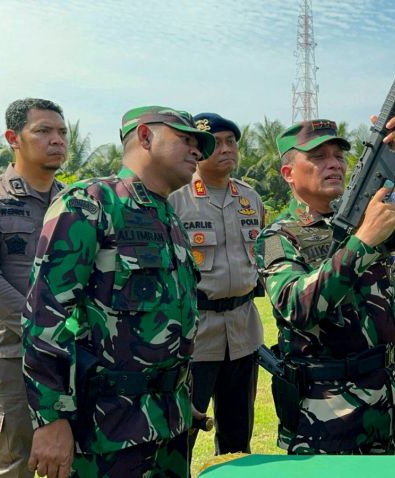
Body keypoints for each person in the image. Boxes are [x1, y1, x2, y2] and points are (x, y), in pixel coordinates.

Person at [22, 105, 215, 478]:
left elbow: (171, 322)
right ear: (145, 136)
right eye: (186, 140)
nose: (197, 151)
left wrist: (179, 394)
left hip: (168, 422)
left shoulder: (169, 218)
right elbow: (46, 314)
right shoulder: (90, 204)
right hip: (106, 429)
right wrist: (50, 419)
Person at [255, 105, 395, 454]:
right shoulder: (279, 236)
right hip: (326, 410)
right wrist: (363, 242)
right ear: (288, 173)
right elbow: (297, 307)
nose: (334, 164)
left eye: (339, 155)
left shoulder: (365, 218)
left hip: (386, 400)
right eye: (318, 157)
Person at [0, 97, 67, 478]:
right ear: (13, 138)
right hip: (12, 354)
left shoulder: (75, 201)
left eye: (61, 132)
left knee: (72, 460)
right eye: (43, 131)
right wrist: (41, 329)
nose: (57, 140)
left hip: (70, 355)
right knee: (14, 464)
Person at [169, 112, 264, 459]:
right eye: (217, 143)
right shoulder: (176, 198)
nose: (226, 149)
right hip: (196, 335)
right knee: (182, 434)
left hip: (243, 331)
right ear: (198, 149)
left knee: (238, 435)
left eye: (231, 141)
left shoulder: (251, 198)